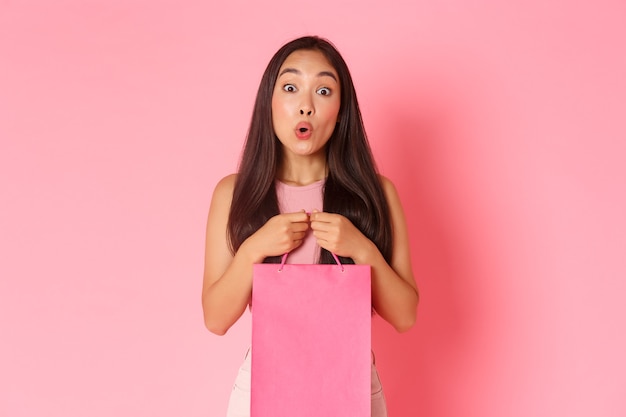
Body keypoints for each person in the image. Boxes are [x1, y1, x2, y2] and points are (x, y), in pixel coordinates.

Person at [202, 35, 419, 417]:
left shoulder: (377, 193)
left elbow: (405, 316)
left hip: (351, 385)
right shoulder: (234, 193)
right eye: (290, 88)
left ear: (341, 110)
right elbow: (216, 319)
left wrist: (362, 249)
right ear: (269, 103)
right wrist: (255, 247)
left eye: (322, 90)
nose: (305, 106)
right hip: (262, 386)